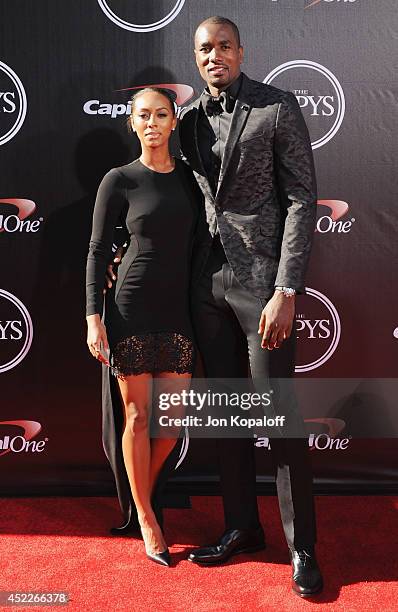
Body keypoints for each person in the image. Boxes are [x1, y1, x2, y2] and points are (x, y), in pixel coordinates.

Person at [178, 16, 323, 597]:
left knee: (278, 421)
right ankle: (242, 526)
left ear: (241, 50)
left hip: (263, 287)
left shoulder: (277, 107)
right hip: (205, 285)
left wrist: (286, 290)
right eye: (204, 50)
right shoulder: (186, 121)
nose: (214, 56)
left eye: (223, 46)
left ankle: (302, 545)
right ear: (197, 59)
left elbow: (302, 199)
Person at [86, 87, 201, 567]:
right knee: (137, 417)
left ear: (174, 121)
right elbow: (96, 250)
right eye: (142, 116)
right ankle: (150, 520)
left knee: (171, 423)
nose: (151, 122)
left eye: (160, 114)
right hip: (130, 308)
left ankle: (142, 500)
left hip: (179, 311)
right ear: (131, 124)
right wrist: (94, 316)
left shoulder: (193, 182)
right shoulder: (120, 180)